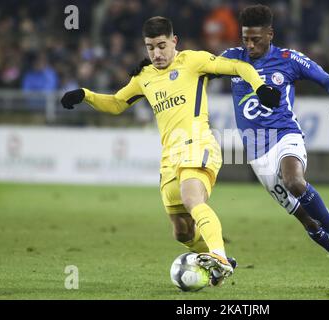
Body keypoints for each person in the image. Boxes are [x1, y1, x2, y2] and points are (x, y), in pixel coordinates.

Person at [60, 16, 280, 286]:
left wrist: (260, 87)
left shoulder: (193, 61)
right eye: (150, 47)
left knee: (192, 198)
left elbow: (238, 66)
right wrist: (85, 95)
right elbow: (117, 103)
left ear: (174, 41)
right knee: (182, 231)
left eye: (162, 45)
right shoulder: (144, 77)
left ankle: (219, 256)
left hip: (198, 143)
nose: (156, 53)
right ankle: (216, 263)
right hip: (169, 156)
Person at [220, 5, 329, 292]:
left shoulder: (288, 59)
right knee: (306, 220)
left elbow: (328, 80)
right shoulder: (232, 59)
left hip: (286, 136)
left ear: (270, 34)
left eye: (256, 40)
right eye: (245, 39)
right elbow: (197, 68)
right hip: (256, 153)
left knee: (294, 181)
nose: (250, 46)